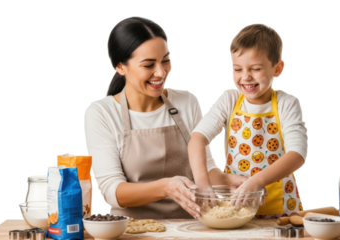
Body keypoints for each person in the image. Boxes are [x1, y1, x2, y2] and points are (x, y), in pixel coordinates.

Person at [82, 16, 248, 219]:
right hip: (132, 230)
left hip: (191, 226)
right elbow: (111, 191)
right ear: (120, 67)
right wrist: (166, 187)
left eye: (166, 60)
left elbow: (206, 166)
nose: (161, 72)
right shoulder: (101, 112)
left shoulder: (188, 101)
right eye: (148, 65)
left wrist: (224, 180)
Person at [188, 23, 310, 219]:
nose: (245, 77)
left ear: (277, 69)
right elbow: (197, 140)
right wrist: (203, 184)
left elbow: (298, 154)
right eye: (237, 69)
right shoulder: (228, 100)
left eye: (255, 68)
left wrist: (257, 182)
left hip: (280, 211)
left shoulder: (287, 103)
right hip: (236, 208)